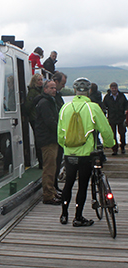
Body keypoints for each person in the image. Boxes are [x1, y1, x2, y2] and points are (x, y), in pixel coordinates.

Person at [58, 77, 115, 226]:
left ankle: (64, 215)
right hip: (86, 154)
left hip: (69, 153)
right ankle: (78, 217)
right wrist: (111, 144)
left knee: (68, 183)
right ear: (89, 91)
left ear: (75, 90)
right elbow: (106, 130)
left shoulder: (65, 108)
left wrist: (67, 147)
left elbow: (59, 134)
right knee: (82, 185)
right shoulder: (93, 107)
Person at [35, 80, 61, 205]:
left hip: (51, 139)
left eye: (55, 88)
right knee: (49, 168)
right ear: (45, 89)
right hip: (47, 139)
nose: (54, 90)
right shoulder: (45, 103)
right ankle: (48, 195)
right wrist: (61, 132)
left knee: (53, 166)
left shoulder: (50, 101)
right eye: (51, 88)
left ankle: (52, 190)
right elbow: (50, 121)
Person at [102, 82, 128, 155]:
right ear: (110, 88)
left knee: (122, 133)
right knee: (113, 134)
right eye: (112, 88)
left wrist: (126, 110)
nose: (114, 90)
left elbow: (126, 104)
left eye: (115, 88)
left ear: (117, 88)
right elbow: (104, 105)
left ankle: (122, 147)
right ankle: (115, 149)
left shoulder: (122, 96)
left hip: (121, 117)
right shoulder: (107, 97)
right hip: (112, 118)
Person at [24, 74, 44, 169]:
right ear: (34, 82)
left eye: (41, 80)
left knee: (40, 139)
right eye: (38, 80)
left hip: (38, 118)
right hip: (34, 118)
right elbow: (27, 106)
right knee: (38, 140)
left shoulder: (40, 91)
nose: (40, 81)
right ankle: (41, 162)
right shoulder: (33, 92)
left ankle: (42, 161)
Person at [52, 72, 67, 192]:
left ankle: (55, 185)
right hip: (53, 135)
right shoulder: (51, 99)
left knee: (57, 161)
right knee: (53, 162)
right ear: (56, 82)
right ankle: (53, 186)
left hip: (60, 133)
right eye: (62, 84)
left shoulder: (58, 96)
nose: (63, 86)